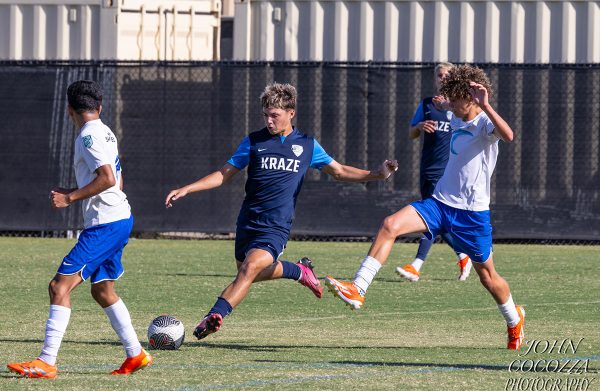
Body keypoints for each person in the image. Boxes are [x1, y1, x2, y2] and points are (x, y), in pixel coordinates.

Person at [165, 82, 398, 340]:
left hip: (277, 225)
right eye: (266, 114)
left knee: (250, 268)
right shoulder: (254, 142)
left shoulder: (307, 145)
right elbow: (223, 175)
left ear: (291, 113)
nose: (269, 120)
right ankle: (299, 271)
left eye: (274, 115)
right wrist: (188, 188)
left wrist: (378, 174)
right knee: (249, 271)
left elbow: (340, 171)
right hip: (248, 221)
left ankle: (213, 315)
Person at [325, 65, 526, 350]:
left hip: (472, 215)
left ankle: (513, 319)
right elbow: (442, 109)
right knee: (389, 225)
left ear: (469, 99)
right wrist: (433, 112)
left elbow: (508, 136)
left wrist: (486, 104)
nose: (450, 105)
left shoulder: (483, 123)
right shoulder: (456, 115)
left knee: (488, 277)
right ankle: (358, 288)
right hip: (439, 203)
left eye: (455, 100)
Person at [7, 80, 152, 378]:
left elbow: (108, 178)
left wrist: (69, 197)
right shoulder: (106, 131)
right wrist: (76, 189)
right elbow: (116, 182)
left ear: (69, 110)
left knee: (59, 286)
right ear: (99, 107)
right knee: (102, 290)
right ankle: (135, 354)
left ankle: (46, 361)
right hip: (119, 217)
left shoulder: (88, 136)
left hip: (105, 225)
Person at [397, 62, 472, 282]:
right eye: (440, 75)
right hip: (427, 168)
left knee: (430, 217)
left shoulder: (460, 106)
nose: (443, 78)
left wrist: (450, 106)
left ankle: (416, 265)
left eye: (447, 75)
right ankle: (463, 255)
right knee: (438, 220)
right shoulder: (427, 104)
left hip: (448, 171)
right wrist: (419, 127)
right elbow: (411, 134)